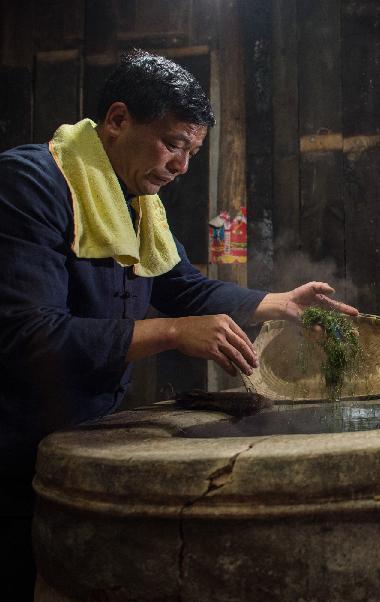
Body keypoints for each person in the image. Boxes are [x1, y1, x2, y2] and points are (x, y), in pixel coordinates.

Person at [0, 49, 358, 596]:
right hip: (12, 444)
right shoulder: (31, 184)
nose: (182, 166)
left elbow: (181, 286)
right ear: (117, 121)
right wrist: (172, 332)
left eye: (192, 152)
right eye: (174, 144)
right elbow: (29, 336)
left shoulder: (136, 200)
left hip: (78, 437)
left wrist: (279, 302)